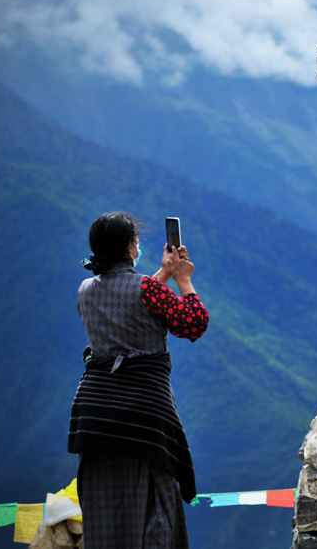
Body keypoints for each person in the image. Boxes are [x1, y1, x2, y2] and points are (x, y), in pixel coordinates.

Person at [68, 211, 209, 549]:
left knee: (104, 499)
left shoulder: (85, 290)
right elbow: (193, 324)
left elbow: (128, 302)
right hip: (143, 412)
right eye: (136, 241)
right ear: (131, 248)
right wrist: (183, 279)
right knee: (153, 501)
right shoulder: (147, 290)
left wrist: (163, 272)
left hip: (95, 412)